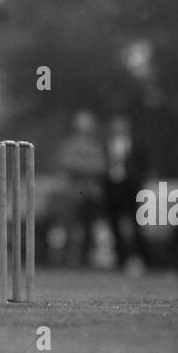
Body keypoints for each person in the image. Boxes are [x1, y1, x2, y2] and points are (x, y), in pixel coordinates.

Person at [57, 110, 108, 267]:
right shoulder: (69, 144)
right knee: (70, 227)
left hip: (90, 193)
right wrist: (87, 167)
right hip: (73, 193)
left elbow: (101, 167)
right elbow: (68, 164)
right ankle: (67, 260)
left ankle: (86, 260)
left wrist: (81, 166)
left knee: (89, 229)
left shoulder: (96, 145)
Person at [104, 113, 149, 274]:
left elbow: (143, 164)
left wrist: (138, 181)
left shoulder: (135, 143)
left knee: (135, 223)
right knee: (114, 223)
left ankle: (142, 258)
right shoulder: (107, 144)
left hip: (130, 187)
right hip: (112, 186)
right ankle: (120, 259)